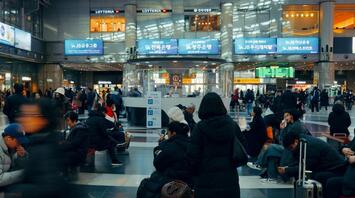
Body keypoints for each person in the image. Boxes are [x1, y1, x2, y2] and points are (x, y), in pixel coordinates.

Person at [187, 92, 247, 198]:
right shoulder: (232, 126)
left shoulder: (199, 128)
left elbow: (192, 156)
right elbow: (243, 147)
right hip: (229, 180)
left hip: (205, 181)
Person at [11, 99, 70, 197]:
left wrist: (13, 194)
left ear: (44, 120)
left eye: (29, 115)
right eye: (22, 114)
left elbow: (48, 187)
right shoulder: (39, 140)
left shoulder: (44, 147)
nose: (22, 119)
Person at [279, 130, 348, 196]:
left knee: (317, 176)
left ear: (296, 141)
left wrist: (287, 170)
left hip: (337, 169)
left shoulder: (309, 146)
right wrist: (288, 168)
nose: (291, 150)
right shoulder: (302, 141)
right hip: (328, 167)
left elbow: (306, 167)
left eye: (291, 148)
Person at [59, 111, 89, 180]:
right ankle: (66, 174)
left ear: (75, 120)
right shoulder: (75, 128)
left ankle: (65, 175)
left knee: (61, 155)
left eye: (68, 120)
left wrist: (62, 145)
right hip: (75, 151)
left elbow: (74, 144)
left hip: (79, 153)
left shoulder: (80, 129)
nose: (67, 123)